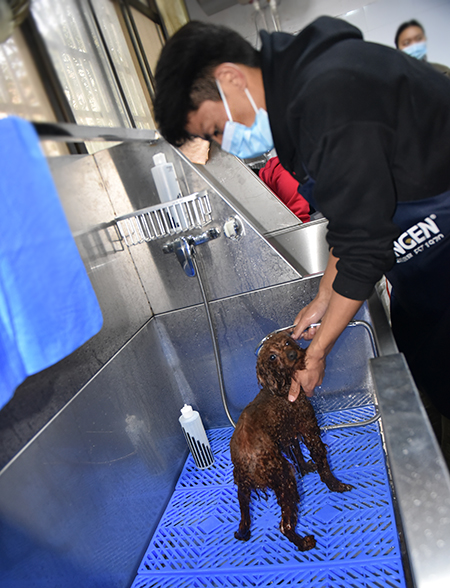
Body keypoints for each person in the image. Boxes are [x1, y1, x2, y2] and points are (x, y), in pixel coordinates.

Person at [153, 17, 450, 460]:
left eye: (215, 129)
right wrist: (323, 298)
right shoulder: (300, 108)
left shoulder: (328, 94)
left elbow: (365, 248)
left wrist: (317, 353)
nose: (224, 142)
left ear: (230, 77)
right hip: (426, 281)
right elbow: (350, 223)